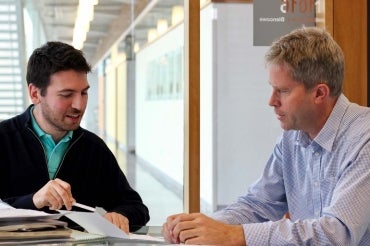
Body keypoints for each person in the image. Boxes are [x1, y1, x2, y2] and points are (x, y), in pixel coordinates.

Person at [162, 26, 370, 245]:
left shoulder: (363, 139)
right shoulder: (292, 137)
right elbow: (258, 204)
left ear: (319, 93)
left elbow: (336, 234)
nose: (271, 101)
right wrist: (198, 228)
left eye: (283, 91)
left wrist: (235, 235)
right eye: (272, 89)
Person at [0, 41, 150, 233]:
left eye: (84, 92)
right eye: (67, 94)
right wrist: (32, 201)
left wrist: (121, 214)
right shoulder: (3, 139)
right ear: (35, 94)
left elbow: (136, 206)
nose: (79, 105)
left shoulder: (93, 148)